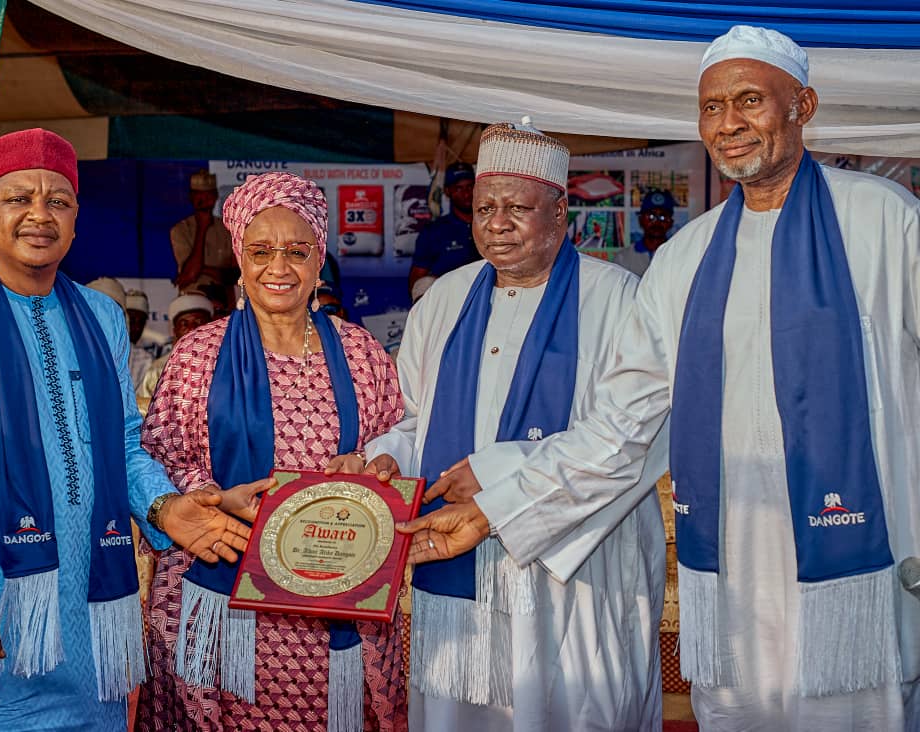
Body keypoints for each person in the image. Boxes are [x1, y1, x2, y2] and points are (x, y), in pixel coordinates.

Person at [399, 26, 920, 731]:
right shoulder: (685, 259)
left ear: (804, 105)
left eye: (748, 101)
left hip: (862, 572)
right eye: (711, 108)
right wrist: (497, 509)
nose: (728, 124)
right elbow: (623, 429)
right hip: (731, 575)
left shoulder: (885, 222)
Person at [0, 128, 252, 730]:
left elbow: (119, 442)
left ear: (77, 217)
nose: (40, 215)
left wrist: (166, 508)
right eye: (19, 199)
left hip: (89, 619)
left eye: (57, 201)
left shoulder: (101, 316)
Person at [354, 121, 667, 730]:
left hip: (575, 576)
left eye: (517, 208)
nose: (497, 223)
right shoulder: (443, 299)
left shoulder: (621, 301)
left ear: (561, 212)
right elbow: (416, 416)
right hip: (457, 584)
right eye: (485, 207)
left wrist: (496, 476)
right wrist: (388, 457)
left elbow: (630, 441)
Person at [137, 171, 408, 731]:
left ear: (319, 258)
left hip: (334, 602)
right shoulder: (198, 355)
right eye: (261, 251)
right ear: (240, 257)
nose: (279, 268)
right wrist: (212, 496)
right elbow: (158, 459)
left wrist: (377, 463)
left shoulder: (358, 352)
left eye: (296, 251)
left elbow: (394, 439)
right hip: (222, 597)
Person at [134, 291, 215, 414]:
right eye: (184, 324)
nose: (192, 329)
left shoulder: (225, 364)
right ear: (174, 331)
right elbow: (145, 414)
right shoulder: (159, 369)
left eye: (199, 322)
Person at [170, 169, 239, 309]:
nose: (204, 202)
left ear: (215, 197)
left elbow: (235, 275)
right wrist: (202, 228)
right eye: (199, 197)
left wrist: (201, 270)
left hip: (223, 304)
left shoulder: (228, 229)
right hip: (192, 303)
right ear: (191, 197)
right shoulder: (181, 230)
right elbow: (190, 274)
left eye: (208, 196)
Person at [408, 162, 480, 294]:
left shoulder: (492, 226)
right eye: (459, 188)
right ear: (447, 192)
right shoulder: (434, 231)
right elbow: (417, 282)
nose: (466, 193)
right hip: (449, 303)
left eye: (470, 186)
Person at [613, 188, 677, 276]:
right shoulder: (623, 258)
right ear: (641, 220)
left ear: (671, 222)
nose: (657, 222)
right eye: (651, 216)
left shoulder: (678, 255)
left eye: (663, 216)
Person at [124, 289, 155, 387]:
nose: (137, 328)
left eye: (141, 322)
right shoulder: (103, 352)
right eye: (132, 321)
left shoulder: (146, 359)